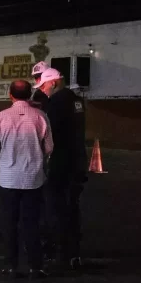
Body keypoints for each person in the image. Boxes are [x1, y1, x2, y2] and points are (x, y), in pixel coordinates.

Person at [0, 80, 53, 279]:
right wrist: (40, 159)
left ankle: (11, 265)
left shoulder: (2, 117)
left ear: (11, 95)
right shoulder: (41, 116)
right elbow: (49, 146)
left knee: (9, 222)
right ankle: (35, 266)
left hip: (8, 179)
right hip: (33, 179)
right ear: (29, 94)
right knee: (31, 223)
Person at [34, 67, 88, 270]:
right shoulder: (77, 101)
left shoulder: (56, 103)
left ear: (54, 83)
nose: (43, 90)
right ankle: (74, 253)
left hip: (60, 163)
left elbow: (49, 133)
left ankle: (58, 251)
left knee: (54, 207)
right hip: (78, 163)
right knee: (73, 208)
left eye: (44, 86)